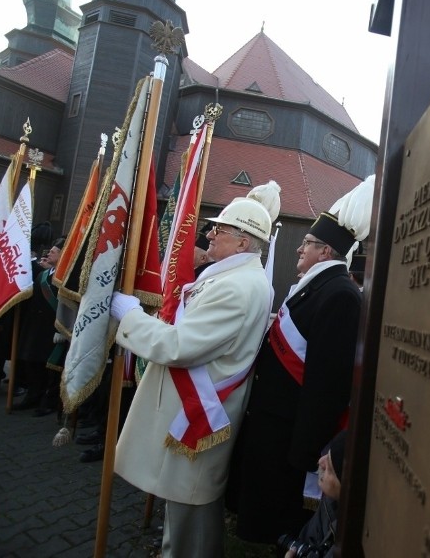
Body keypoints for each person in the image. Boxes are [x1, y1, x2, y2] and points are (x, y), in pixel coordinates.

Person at [109, 184, 281, 558]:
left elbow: (180, 346)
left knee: (191, 507)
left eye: (218, 230)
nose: (209, 235)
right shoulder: (236, 277)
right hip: (196, 406)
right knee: (187, 502)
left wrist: (132, 317)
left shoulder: (237, 286)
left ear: (242, 243)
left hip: (198, 409)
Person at [225, 176, 373, 544]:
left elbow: (327, 384)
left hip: (290, 431)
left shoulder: (339, 295)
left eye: (306, 243)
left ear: (326, 252)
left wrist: (305, 452)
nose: (298, 249)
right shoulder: (319, 286)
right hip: (275, 421)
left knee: (279, 516)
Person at [14, 237, 65, 415]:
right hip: (35, 326)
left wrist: (63, 328)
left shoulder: (66, 276)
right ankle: (33, 395)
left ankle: (49, 401)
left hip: (52, 328)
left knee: (50, 367)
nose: (49, 252)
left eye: (54, 251)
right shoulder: (42, 275)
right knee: (32, 362)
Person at [281, 431, 347, 558]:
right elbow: (307, 539)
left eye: (330, 469)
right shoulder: (330, 503)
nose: (320, 462)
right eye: (327, 455)